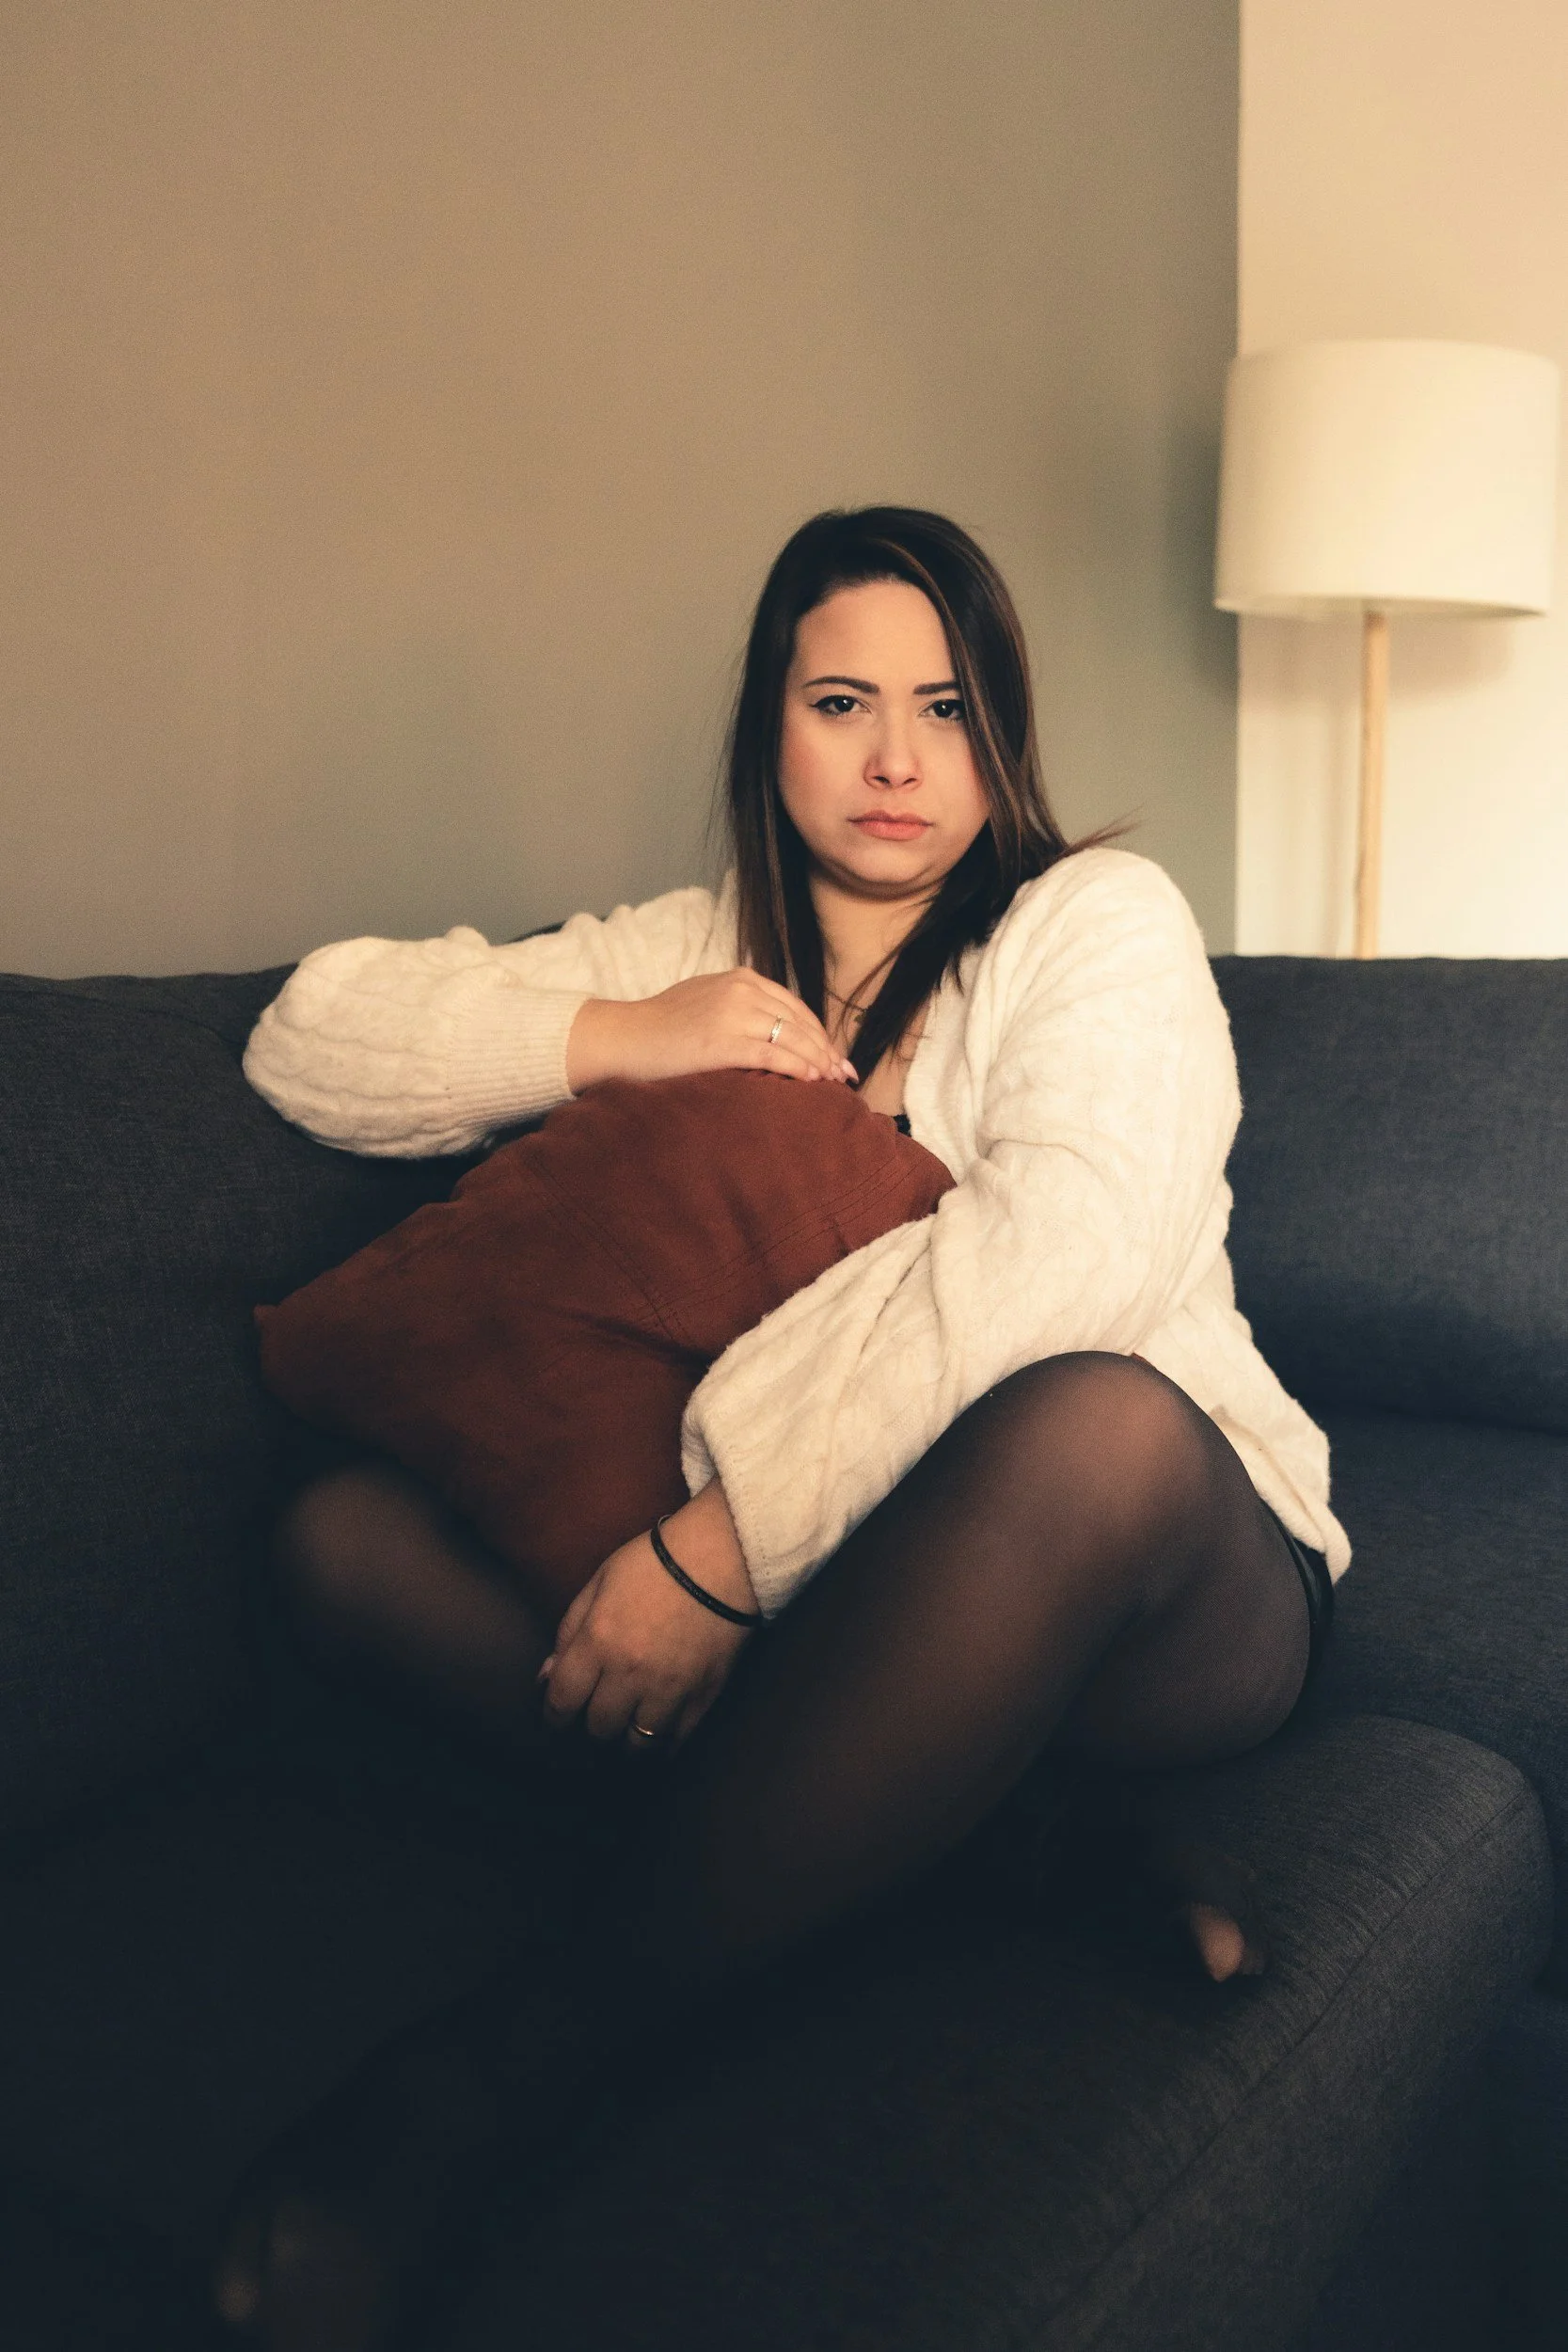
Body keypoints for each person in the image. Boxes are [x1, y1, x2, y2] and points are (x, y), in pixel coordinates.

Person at [223, 505, 1346, 2348]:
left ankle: (499, 2075)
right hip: (854, 1619)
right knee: (338, 1539)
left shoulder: (1092, 921)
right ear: (771, 724)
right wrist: (617, 1035)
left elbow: (1067, 1246)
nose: (897, 759)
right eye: (842, 701)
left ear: (1000, 735)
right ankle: (987, 1841)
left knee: (1088, 1423)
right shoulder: (693, 945)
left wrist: (719, 1551)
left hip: (1148, 1575)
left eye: (945, 707)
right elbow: (308, 1035)